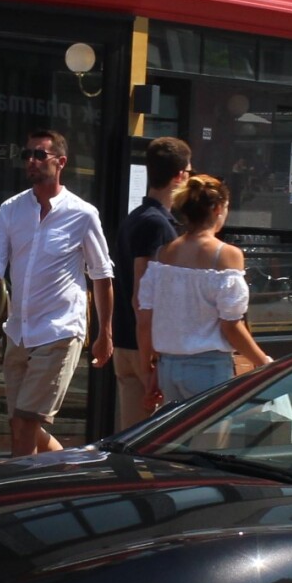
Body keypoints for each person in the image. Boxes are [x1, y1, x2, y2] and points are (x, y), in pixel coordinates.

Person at [0, 129, 113, 456]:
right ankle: (73, 474)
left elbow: (102, 275)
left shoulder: (83, 214)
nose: (31, 161)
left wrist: (104, 333)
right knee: (24, 427)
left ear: (61, 162)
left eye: (39, 155)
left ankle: (18, 502)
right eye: (27, 155)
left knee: (23, 425)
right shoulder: (11, 210)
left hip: (59, 331)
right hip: (19, 332)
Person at [137, 172, 271, 406]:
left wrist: (149, 368)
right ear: (218, 208)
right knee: (208, 441)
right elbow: (231, 325)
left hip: (168, 368)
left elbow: (145, 319)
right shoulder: (226, 255)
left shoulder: (162, 255)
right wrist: (262, 361)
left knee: (175, 440)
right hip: (208, 369)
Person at [112, 137, 190, 424]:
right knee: (153, 443)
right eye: (189, 173)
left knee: (132, 441)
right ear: (180, 175)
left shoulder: (134, 218)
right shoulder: (157, 224)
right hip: (145, 348)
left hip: (126, 342)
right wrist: (150, 361)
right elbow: (142, 296)